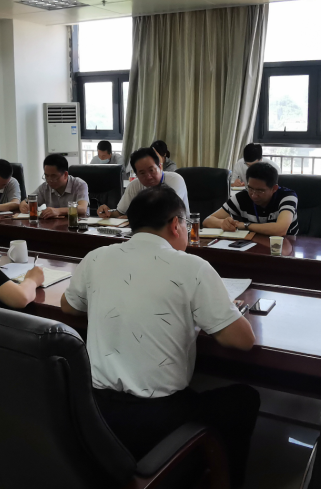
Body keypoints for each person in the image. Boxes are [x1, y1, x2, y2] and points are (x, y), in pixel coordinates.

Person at [60, 186, 258, 487]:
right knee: (244, 398)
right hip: (157, 420)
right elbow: (243, 340)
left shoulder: (96, 257)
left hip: (95, 414)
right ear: (176, 224)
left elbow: (69, 306)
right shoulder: (192, 266)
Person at [203, 162, 298, 237]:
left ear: (274, 188)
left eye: (260, 191)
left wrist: (245, 225)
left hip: (286, 246)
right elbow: (207, 221)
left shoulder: (287, 196)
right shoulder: (242, 197)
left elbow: (280, 229)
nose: (254, 195)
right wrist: (223, 223)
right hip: (253, 245)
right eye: (250, 188)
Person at [97, 147, 190, 218]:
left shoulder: (175, 180)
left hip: (177, 231)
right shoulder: (134, 185)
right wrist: (107, 212)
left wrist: (133, 218)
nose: (148, 176)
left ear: (160, 167)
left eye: (151, 170)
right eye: (142, 173)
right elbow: (119, 213)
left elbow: (167, 214)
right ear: (136, 174)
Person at [19, 154, 89, 218]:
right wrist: (23, 204)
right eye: (46, 176)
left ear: (65, 175)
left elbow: (82, 208)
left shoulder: (79, 184)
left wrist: (58, 211)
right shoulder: (45, 187)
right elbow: (27, 201)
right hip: (54, 225)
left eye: (54, 176)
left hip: (76, 224)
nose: (50, 180)